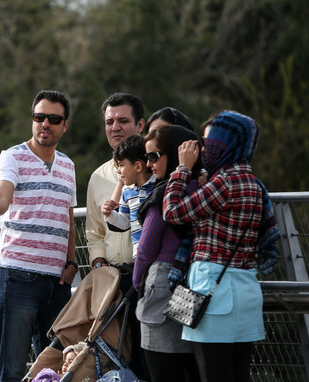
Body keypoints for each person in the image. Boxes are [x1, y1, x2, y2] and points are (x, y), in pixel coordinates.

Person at [0, 90, 78, 382]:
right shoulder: (12, 157)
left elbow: (67, 217)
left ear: (64, 125)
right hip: (18, 278)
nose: (45, 124)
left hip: (57, 283)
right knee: (13, 370)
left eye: (54, 119)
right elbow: (2, 199)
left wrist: (71, 263)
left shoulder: (68, 166)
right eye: (39, 117)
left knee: (55, 372)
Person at [163, 110, 277, 382]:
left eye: (211, 141)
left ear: (226, 143)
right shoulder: (253, 183)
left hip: (212, 295)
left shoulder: (224, 182)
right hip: (245, 291)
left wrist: (181, 170)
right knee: (239, 375)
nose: (206, 148)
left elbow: (172, 212)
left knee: (213, 375)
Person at [84, 92, 148, 380]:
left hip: (146, 278)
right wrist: (98, 265)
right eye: (109, 121)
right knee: (115, 361)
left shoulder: (152, 169)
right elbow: (94, 231)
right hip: (113, 281)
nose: (115, 127)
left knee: (149, 359)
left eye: (123, 120)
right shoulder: (98, 177)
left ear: (141, 124)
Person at [133, 125, 201, 382]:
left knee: (161, 365)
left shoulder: (164, 193)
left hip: (161, 284)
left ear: (174, 153)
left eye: (154, 156)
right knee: (186, 363)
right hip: (190, 284)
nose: (150, 164)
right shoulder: (203, 187)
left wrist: (138, 286)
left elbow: (146, 250)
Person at [102, 134, 155, 259]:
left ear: (137, 166)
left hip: (160, 254)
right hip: (139, 255)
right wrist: (109, 214)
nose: (118, 171)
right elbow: (125, 222)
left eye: (121, 165)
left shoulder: (159, 185)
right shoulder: (126, 191)